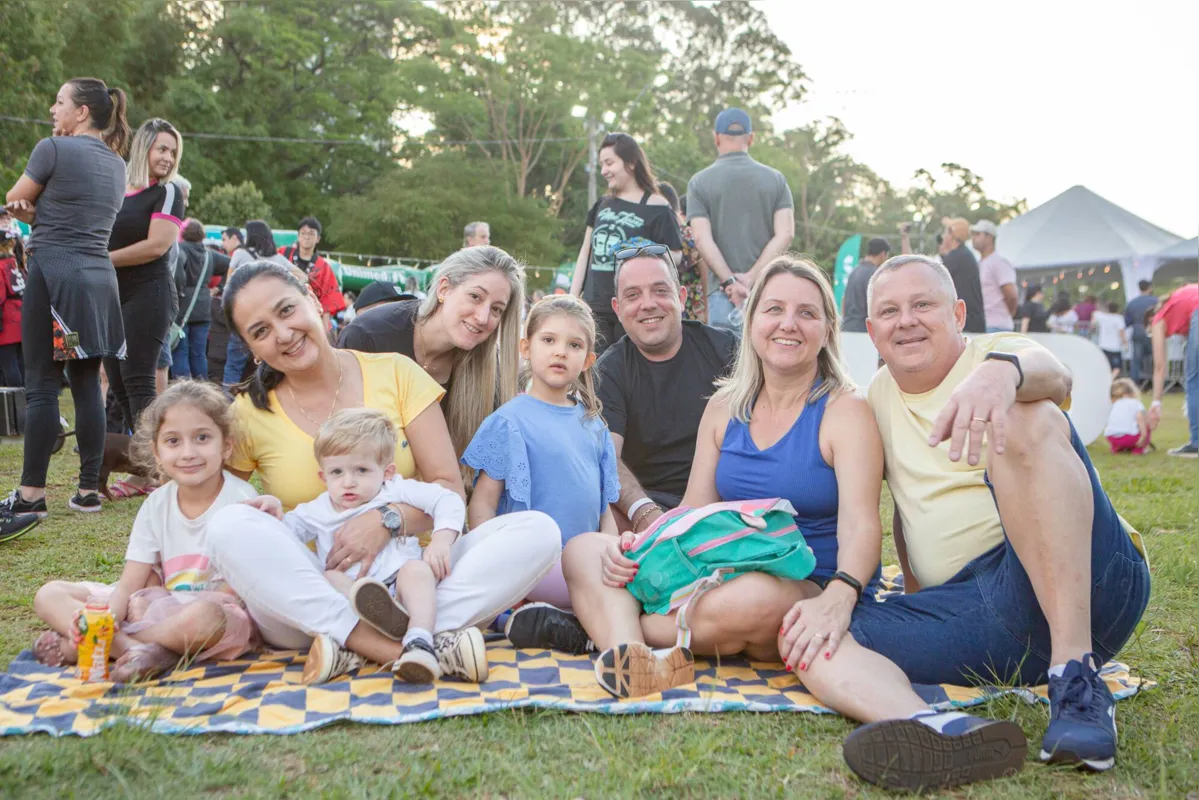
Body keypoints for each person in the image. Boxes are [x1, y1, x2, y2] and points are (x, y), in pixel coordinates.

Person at [779, 254, 1149, 792]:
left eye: (922, 304)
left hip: (1093, 586)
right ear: (872, 332)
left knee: (1029, 412)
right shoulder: (873, 402)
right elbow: (906, 509)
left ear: (957, 312)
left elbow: (1054, 373)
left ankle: (1077, 677)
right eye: (889, 310)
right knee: (813, 636)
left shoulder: (997, 355)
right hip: (983, 615)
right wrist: (914, 598)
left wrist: (1002, 375)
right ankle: (940, 731)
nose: (906, 319)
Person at [206, 261, 560, 683]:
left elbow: (447, 486)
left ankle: (369, 643)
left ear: (313, 299)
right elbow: (227, 514)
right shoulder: (248, 415)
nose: (282, 334)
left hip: (415, 578)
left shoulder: (395, 371)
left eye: (285, 311)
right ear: (250, 347)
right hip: (316, 596)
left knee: (539, 532)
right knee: (229, 525)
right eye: (260, 331)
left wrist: (385, 521)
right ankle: (405, 647)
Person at [559, 255, 884, 699]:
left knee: (752, 598)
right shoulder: (724, 406)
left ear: (827, 329)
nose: (788, 324)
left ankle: (616, 629)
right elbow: (694, 511)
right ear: (751, 323)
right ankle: (634, 658)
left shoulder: (845, 410)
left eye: (806, 313)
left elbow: (863, 525)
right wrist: (645, 544)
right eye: (773, 310)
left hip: (800, 583)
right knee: (585, 551)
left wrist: (841, 595)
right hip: (714, 567)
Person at [30, 381, 259, 682]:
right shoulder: (156, 504)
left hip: (209, 614)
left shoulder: (241, 501)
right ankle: (136, 649)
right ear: (156, 451)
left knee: (205, 619)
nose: (188, 452)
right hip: (151, 605)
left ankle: (100, 643)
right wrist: (112, 614)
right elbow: (129, 585)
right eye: (173, 441)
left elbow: (238, 592)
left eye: (202, 438)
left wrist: (136, 617)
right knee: (50, 594)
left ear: (226, 445)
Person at [247, 408, 475, 684]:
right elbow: (283, 537)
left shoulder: (394, 490)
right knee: (328, 578)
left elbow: (446, 500)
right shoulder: (316, 511)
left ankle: (419, 637)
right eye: (337, 472)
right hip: (352, 600)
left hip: (400, 587)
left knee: (416, 570)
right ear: (323, 477)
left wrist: (441, 540)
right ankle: (374, 630)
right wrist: (273, 512)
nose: (348, 482)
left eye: (362, 470)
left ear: (387, 471)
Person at [1, 77, 130, 536]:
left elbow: (17, 199)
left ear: (81, 112)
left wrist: (23, 211)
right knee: (85, 386)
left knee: (40, 386)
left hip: (55, 274)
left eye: (59, 102)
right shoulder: (118, 165)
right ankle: (88, 491)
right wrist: (37, 212)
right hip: (99, 280)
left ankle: (31, 496)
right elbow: (74, 213)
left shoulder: (51, 149)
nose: (52, 109)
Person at [463, 295, 620, 619]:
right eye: (548, 340)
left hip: (585, 566)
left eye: (574, 345)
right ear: (526, 348)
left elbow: (603, 510)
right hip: (528, 566)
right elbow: (483, 503)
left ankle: (572, 620)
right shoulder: (509, 421)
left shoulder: (594, 427)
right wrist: (493, 564)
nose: (560, 351)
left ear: (588, 360)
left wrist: (611, 554)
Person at [336, 246, 524, 457]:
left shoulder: (489, 369)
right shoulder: (368, 336)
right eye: (475, 296)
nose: (483, 317)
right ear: (444, 289)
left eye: (496, 309)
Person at [569, 133, 681, 351]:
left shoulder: (658, 207)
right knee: (596, 373)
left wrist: (643, 250)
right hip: (595, 308)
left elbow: (676, 256)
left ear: (631, 163)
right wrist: (573, 299)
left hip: (634, 309)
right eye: (601, 164)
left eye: (610, 163)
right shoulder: (602, 204)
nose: (604, 170)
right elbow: (585, 252)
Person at [686, 108, 794, 330]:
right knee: (767, 362)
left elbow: (701, 239)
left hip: (722, 295)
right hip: (766, 294)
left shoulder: (699, 183)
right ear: (751, 138)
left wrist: (730, 282)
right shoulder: (776, 180)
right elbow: (786, 233)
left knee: (722, 363)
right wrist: (750, 278)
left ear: (716, 138)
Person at [222, 220, 290, 385]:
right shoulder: (278, 259)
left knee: (234, 363)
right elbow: (301, 276)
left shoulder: (240, 254)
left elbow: (228, 286)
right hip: (272, 318)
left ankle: (228, 401)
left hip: (245, 317)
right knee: (268, 362)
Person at [1148, 282, 1198, 457]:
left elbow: (1160, 366)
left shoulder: (1158, 320)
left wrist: (1156, 402)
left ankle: (1197, 442)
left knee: (1194, 381)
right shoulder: (1178, 301)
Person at [169, 219, 219, 380]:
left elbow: (176, 275)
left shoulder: (179, 250)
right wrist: (221, 288)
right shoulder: (210, 254)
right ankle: (202, 390)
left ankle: (182, 391)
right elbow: (232, 264)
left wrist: (178, 290)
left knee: (180, 352)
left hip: (182, 308)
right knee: (199, 354)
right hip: (203, 308)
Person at [279, 216, 347, 318]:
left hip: (310, 315)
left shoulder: (324, 267)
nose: (307, 237)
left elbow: (328, 299)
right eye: (303, 233)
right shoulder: (283, 253)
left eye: (311, 233)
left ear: (318, 238)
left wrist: (324, 330)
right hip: (282, 309)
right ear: (298, 236)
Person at [658, 183, 706, 323]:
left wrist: (707, 309)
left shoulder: (688, 234)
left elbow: (705, 271)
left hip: (693, 306)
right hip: (674, 306)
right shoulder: (661, 233)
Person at [938, 217, 985, 333]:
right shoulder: (963, 255)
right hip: (971, 321)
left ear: (952, 234)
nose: (943, 236)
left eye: (945, 232)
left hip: (967, 324)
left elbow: (931, 280)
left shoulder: (956, 257)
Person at [971, 220, 1018, 332]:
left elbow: (1011, 295)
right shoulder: (979, 263)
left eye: (978, 234)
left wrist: (1005, 315)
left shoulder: (999, 263)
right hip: (984, 325)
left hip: (998, 326)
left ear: (989, 237)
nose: (973, 238)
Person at [840, 238, 891, 333]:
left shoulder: (854, 271)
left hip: (847, 328)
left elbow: (844, 299)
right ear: (883, 254)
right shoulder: (875, 274)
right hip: (864, 331)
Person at [0, 229, 26, 387]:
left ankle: (15, 402)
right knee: (20, 363)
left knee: (8, 364)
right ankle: (26, 400)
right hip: (22, 317)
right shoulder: (17, 262)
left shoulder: (1, 265)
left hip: (7, 321)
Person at [1105, 377, 1150, 454]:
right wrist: (1144, 434)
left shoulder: (1115, 404)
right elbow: (1140, 417)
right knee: (1147, 426)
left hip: (1112, 437)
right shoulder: (1135, 403)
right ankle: (1138, 449)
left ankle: (1116, 448)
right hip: (1129, 438)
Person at [1124, 279, 1157, 384]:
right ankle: (1155, 382)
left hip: (1137, 332)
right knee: (1156, 359)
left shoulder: (1131, 303)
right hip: (1153, 332)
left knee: (1136, 360)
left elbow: (1127, 322)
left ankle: (1134, 383)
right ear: (1149, 287)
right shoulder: (1156, 301)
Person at [1092, 301, 1128, 376]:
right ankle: (1111, 380)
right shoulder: (1119, 318)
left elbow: (1094, 313)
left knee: (1104, 366)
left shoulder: (1102, 317)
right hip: (1115, 347)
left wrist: (1093, 322)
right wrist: (1125, 342)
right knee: (1117, 367)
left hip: (1103, 346)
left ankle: (1106, 380)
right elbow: (1121, 332)